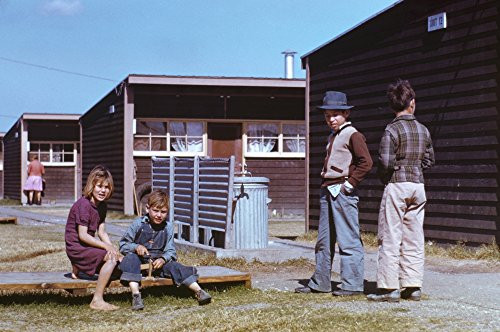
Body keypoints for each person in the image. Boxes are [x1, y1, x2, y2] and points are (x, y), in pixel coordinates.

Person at [295, 91, 373, 296]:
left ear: (346, 113)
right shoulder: (332, 136)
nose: (331, 119)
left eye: (336, 115)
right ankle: (320, 281)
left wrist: (350, 184)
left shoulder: (353, 134)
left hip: (343, 192)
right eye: (327, 115)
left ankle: (352, 284)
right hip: (327, 191)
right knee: (323, 240)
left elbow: (366, 163)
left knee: (348, 239)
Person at [368, 79, 434, 302]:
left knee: (390, 236)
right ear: (412, 103)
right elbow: (429, 160)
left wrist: (388, 176)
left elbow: (385, 162)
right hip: (418, 185)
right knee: (414, 237)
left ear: (391, 106)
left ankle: (389, 287)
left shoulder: (391, 130)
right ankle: (413, 286)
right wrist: (414, 168)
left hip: (397, 184)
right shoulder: (423, 130)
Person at [119, 190, 212, 310]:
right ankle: (136, 295)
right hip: (139, 263)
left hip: (158, 264)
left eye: (163, 212)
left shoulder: (168, 227)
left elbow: (171, 251)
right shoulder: (138, 224)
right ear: (148, 208)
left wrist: (163, 259)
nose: (159, 215)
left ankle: (199, 291)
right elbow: (123, 244)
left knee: (176, 267)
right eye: (155, 211)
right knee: (130, 259)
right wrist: (136, 247)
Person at [65, 165, 121, 311]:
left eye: (107, 187)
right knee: (111, 259)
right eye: (99, 186)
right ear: (92, 185)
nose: (103, 190)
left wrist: (113, 248)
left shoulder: (102, 206)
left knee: (116, 259)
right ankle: (97, 300)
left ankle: (78, 268)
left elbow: (102, 232)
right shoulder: (84, 205)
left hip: (86, 245)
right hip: (76, 247)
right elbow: (82, 235)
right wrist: (107, 249)